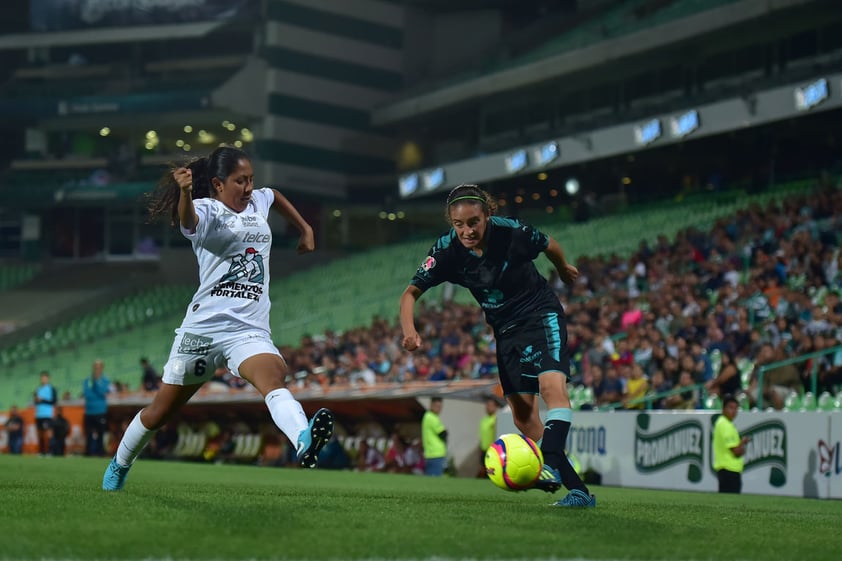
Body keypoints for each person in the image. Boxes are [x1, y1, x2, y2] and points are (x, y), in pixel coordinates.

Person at [102, 146, 334, 491]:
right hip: (204, 330)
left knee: (272, 377)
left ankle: (302, 438)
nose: (249, 188)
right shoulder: (208, 211)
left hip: (248, 330)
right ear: (217, 184)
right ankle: (119, 465)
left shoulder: (258, 201)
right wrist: (183, 192)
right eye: (240, 181)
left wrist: (305, 229)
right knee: (159, 412)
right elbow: (188, 221)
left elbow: (276, 196)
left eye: (251, 179)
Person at [400, 184, 595, 507]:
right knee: (523, 417)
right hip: (505, 331)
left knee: (552, 389)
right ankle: (578, 491)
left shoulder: (513, 232)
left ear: (488, 215)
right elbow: (410, 293)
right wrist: (410, 330)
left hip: (539, 314)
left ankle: (549, 460)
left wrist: (561, 267)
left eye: (473, 222)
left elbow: (549, 244)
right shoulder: (446, 249)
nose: (467, 231)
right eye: (459, 224)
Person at [712, 395, 750, 493]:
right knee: (731, 502)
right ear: (723, 409)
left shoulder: (723, 423)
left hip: (726, 469)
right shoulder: (725, 425)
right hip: (729, 470)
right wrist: (742, 445)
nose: (734, 411)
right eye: (730, 407)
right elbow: (736, 451)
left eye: (736, 408)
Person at [82, 359, 110, 456]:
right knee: (89, 434)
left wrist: (96, 384)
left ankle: (100, 453)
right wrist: (96, 392)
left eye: (99, 367)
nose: (97, 369)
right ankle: (89, 453)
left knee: (101, 434)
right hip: (89, 411)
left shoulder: (105, 380)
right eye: (95, 367)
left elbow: (103, 392)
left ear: (102, 368)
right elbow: (87, 394)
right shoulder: (87, 380)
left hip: (100, 411)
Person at [421, 397, 447, 476]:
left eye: (440, 407)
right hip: (435, 453)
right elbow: (443, 434)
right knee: (435, 480)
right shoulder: (431, 417)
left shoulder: (429, 416)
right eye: (437, 406)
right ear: (431, 405)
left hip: (431, 453)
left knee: (430, 479)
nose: (439, 409)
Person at [33, 371, 57, 456]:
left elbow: (54, 401)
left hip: (47, 414)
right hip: (38, 414)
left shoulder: (51, 388)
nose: (43, 380)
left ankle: (50, 451)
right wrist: (36, 400)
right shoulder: (38, 389)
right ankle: (41, 451)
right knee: (40, 433)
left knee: (48, 433)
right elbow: (35, 402)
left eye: (45, 378)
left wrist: (42, 400)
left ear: (48, 379)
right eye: (42, 378)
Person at [477, 396, 499, 477]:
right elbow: (482, 436)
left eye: (490, 405)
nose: (488, 407)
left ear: (496, 407)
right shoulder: (483, 420)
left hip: (493, 450)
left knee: (492, 472)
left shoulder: (496, 419)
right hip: (483, 450)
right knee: (484, 471)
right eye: (487, 405)